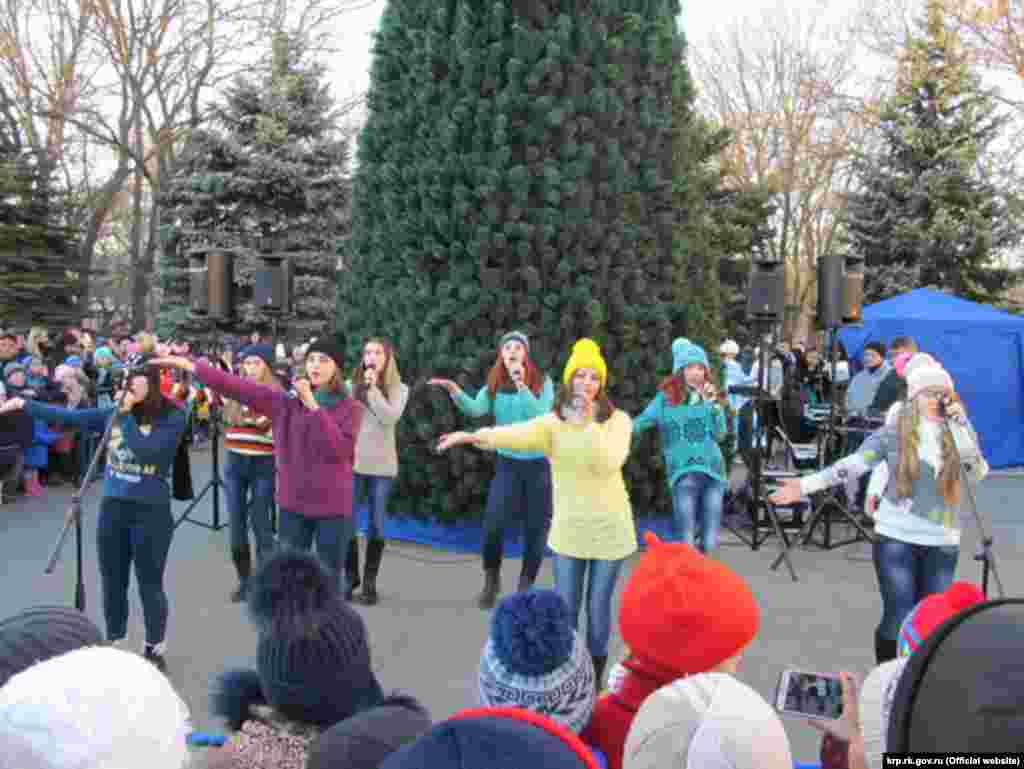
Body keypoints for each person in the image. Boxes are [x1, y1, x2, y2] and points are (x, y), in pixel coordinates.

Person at [438, 338, 634, 685]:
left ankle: (597, 682)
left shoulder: (618, 421)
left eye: (593, 378)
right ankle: (570, 679)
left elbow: (609, 462)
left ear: (601, 384)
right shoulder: (553, 423)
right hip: (570, 531)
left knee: (599, 612)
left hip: (610, 531)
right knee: (567, 611)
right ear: (570, 382)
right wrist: (471, 436)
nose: (586, 384)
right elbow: (514, 434)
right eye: (579, 377)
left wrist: (587, 424)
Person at [770, 356, 988, 664]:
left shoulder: (959, 432)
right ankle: (888, 676)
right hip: (896, 536)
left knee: (934, 617)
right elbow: (854, 465)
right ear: (913, 397)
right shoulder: (894, 431)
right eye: (928, 393)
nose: (935, 400)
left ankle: (923, 678)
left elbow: (977, 474)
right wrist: (805, 485)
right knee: (898, 612)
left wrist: (962, 428)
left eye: (942, 393)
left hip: (942, 539)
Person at [0, 356, 187, 670]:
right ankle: (116, 640)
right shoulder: (112, 411)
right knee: (112, 580)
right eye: (122, 380)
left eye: (133, 379)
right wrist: (24, 404)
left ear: (150, 381)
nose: (124, 385)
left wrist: (124, 415)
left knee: (148, 582)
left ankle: (154, 646)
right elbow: (74, 418)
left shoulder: (172, 415)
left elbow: (150, 451)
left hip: (151, 510)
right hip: (114, 507)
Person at [152, 335, 362, 591]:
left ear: (337, 368)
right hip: (293, 506)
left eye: (324, 360)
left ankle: (327, 630)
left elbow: (339, 450)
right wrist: (190, 365)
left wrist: (314, 406)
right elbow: (236, 386)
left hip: (332, 508)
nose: (315, 366)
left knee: (327, 584)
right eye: (312, 360)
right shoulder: (285, 403)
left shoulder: (350, 408)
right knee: (291, 584)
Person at [429, 330, 555, 608]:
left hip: (538, 466)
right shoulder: (494, 383)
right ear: (501, 354)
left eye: (518, 347)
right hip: (507, 464)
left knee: (536, 530)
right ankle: (491, 580)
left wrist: (522, 384)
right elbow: (476, 409)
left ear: (526, 354)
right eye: (507, 347)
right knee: (493, 525)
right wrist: (455, 392)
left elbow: (540, 416)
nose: (512, 351)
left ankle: (525, 586)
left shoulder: (543, 383)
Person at [632, 339, 728, 553]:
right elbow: (641, 422)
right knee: (686, 541)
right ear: (680, 370)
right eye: (689, 367)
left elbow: (721, 434)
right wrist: (613, 428)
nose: (696, 372)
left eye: (700, 367)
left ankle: (701, 581)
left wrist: (715, 405)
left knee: (710, 541)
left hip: (713, 472)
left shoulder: (709, 396)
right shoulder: (665, 399)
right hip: (683, 473)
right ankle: (691, 580)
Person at [346, 338, 409, 605]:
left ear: (387, 357)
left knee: (377, 524)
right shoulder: (351, 386)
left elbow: (389, 417)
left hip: (382, 467)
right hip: (354, 464)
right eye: (367, 352)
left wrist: (373, 391)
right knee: (345, 520)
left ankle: (370, 584)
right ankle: (348, 579)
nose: (371, 356)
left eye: (377, 352)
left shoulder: (399, 388)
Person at [221, 343, 281, 602]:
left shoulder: (277, 394)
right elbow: (228, 419)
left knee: (261, 522)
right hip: (235, 463)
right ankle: (245, 581)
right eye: (247, 363)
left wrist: (255, 407)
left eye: (256, 363)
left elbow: (275, 433)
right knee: (236, 522)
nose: (251, 368)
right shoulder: (236, 392)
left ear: (267, 366)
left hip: (263, 464)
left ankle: (267, 582)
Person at [869, 336, 918, 414]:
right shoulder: (891, 377)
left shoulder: (925, 376)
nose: (894, 360)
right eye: (892, 355)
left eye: (898, 354)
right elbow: (875, 408)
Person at [845, 342, 889, 416]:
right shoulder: (858, 377)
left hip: (880, 422)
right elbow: (848, 398)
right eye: (866, 355)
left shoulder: (891, 375)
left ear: (882, 357)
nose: (868, 358)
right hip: (856, 421)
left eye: (873, 355)